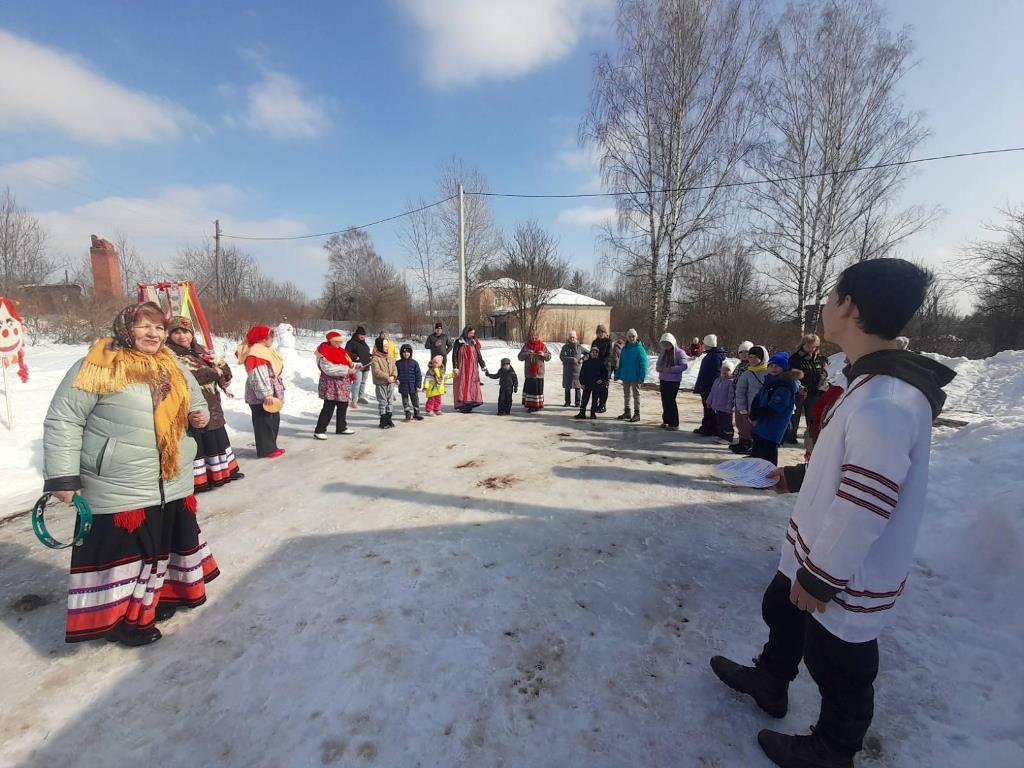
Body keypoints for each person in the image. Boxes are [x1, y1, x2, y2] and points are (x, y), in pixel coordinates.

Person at [710, 258, 955, 768]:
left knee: (840, 659)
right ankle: (771, 681)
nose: (823, 306)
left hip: (846, 565)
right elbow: (850, 466)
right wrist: (793, 478)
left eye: (830, 296)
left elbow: (867, 503)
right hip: (816, 544)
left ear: (849, 306)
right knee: (782, 606)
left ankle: (831, 749)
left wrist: (821, 579)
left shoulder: (885, 400)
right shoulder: (868, 384)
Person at [43, 302, 216, 647]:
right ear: (125, 327)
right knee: (124, 556)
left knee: (162, 549)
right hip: (119, 482)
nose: (154, 334)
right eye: (145, 326)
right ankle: (123, 622)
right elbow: (64, 420)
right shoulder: (98, 365)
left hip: (171, 479)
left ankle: (155, 602)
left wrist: (200, 416)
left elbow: (196, 402)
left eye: (159, 328)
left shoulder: (173, 365)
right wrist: (63, 477)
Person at [166, 316, 242, 491]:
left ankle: (225, 471)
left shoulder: (201, 350)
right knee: (200, 438)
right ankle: (202, 480)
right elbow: (189, 376)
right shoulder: (169, 354)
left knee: (217, 436)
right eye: (176, 332)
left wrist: (222, 374)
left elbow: (224, 367)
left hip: (212, 400)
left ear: (191, 334)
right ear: (170, 335)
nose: (182, 336)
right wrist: (215, 372)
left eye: (185, 332)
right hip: (191, 404)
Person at [237, 325, 285, 459]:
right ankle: (266, 450)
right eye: (270, 337)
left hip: (269, 391)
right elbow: (257, 375)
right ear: (262, 338)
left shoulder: (264, 350)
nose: (272, 340)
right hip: (262, 394)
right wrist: (266, 394)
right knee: (263, 421)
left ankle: (271, 446)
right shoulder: (256, 353)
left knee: (273, 419)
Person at [748, 351, 802, 465]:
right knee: (757, 450)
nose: (774, 368)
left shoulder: (785, 385)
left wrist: (757, 414)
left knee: (768, 455)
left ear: (784, 368)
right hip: (762, 424)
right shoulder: (770, 380)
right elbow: (758, 397)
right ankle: (755, 473)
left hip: (773, 426)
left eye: (777, 366)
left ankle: (769, 478)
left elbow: (775, 408)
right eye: (771, 366)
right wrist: (753, 411)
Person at [313, 330, 357, 439]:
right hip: (330, 384)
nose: (339, 344)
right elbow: (328, 369)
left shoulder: (342, 351)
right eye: (337, 342)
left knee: (343, 405)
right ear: (331, 341)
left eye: (340, 342)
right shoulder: (323, 351)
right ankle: (320, 430)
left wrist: (355, 366)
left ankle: (341, 427)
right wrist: (347, 370)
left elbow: (348, 362)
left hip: (342, 383)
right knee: (329, 406)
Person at [786, 333, 829, 444]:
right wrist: (798, 385)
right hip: (799, 391)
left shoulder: (819, 359)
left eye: (814, 346)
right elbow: (792, 373)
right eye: (809, 346)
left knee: (813, 416)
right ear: (803, 344)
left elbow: (823, 373)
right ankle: (791, 435)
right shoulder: (796, 358)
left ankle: (812, 436)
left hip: (815, 391)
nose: (811, 348)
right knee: (795, 415)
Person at [731, 345, 769, 455]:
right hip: (746, 407)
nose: (751, 359)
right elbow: (740, 391)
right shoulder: (747, 373)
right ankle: (744, 443)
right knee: (743, 425)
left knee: (757, 428)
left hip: (761, 407)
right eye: (750, 357)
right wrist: (742, 407)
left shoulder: (768, 373)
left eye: (754, 357)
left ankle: (754, 446)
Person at [693, 334, 726, 435]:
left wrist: (713, 387)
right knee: (707, 408)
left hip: (710, 387)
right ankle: (707, 426)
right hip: (706, 386)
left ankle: (711, 428)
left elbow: (716, 373)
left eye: (704, 343)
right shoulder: (711, 355)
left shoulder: (715, 356)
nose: (703, 345)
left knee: (710, 408)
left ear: (708, 344)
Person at [655, 332, 688, 430]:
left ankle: (674, 423)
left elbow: (684, 366)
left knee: (671, 401)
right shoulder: (663, 352)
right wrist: (659, 368)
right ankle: (666, 420)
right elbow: (658, 363)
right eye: (665, 344)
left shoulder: (679, 352)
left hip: (673, 381)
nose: (667, 346)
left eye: (668, 344)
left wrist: (671, 369)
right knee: (665, 401)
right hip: (663, 379)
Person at [614, 329, 648, 423]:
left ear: (636, 337)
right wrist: (618, 373)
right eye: (630, 336)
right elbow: (621, 363)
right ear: (627, 338)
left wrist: (642, 376)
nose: (631, 338)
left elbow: (644, 364)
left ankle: (637, 413)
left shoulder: (640, 349)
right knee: (626, 395)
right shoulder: (625, 349)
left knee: (636, 395)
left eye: (633, 336)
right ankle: (627, 411)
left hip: (635, 377)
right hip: (626, 376)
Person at [452, 326, 487, 413]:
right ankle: (463, 404)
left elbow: (478, 355)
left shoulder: (473, 342)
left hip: (472, 368)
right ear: (466, 332)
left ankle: (470, 403)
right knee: (462, 384)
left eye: (473, 333)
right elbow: (454, 355)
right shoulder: (459, 341)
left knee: (471, 385)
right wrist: (455, 367)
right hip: (462, 367)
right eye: (471, 333)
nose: (472, 335)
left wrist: (483, 365)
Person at [518, 330, 551, 412]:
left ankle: (538, 405)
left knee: (538, 389)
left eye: (535, 336)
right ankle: (530, 405)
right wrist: (527, 353)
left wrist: (543, 354)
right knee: (530, 390)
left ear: (538, 336)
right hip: (530, 372)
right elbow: (519, 357)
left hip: (539, 372)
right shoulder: (526, 346)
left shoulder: (542, 345)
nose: (533, 337)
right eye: (532, 336)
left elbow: (549, 357)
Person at [371, 337, 398, 429]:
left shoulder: (389, 357)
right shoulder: (375, 358)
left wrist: (394, 376)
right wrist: (387, 377)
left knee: (390, 401)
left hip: (391, 383)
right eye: (384, 346)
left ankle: (389, 418)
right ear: (380, 346)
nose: (387, 347)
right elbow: (376, 371)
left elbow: (394, 368)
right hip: (381, 383)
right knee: (383, 401)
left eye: (387, 346)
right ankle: (383, 419)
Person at [707, 361, 736, 442]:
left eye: (728, 370)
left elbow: (731, 396)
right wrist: (709, 401)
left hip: (726, 407)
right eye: (723, 369)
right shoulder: (717, 380)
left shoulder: (731, 382)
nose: (725, 372)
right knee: (719, 422)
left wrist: (730, 407)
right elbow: (712, 392)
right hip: (717, 406)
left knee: (727, 423)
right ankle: (721, 436)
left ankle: (728, 437)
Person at [575, 346, 605, 420]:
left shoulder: (600, 363)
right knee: (584, 399)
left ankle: (593, 413)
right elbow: (582, 374)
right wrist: (582, 383)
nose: (594, 354)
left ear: (598, 354)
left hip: (596, 384)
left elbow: (604, 373)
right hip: (587, 384)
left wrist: (601, 379)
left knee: (595, 399)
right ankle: (582, 413)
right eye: (593, 352)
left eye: (596, 352)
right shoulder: (586, 363)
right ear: (590, 353)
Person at [396, 343, 424, 421]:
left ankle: (416, 412)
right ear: (401, 353)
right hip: (403, 385)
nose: (406, 354)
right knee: (405, 401)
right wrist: (396, 379)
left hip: (413, 385)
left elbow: (418, 375)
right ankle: (407, 413)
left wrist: (418, 385)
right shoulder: (398, 363)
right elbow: (395, 373)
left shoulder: (414, 363)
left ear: (410, 353)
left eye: (408, 352)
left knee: (415, 400)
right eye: (404, 352)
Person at [345, 326, 372, 407]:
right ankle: (354, 400)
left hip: (366, 365)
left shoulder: (364, 343)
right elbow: (346, 352)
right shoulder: (351, 342)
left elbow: (365, 353)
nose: (363, 337)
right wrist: (355, 357)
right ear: (357, 334)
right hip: (357, 366)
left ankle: (361, 397)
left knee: (363, 383)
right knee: (357, 383)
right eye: (361, 335)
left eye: (364, 335)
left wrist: (370, 356)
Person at [589, 324, 613, 413]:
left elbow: (609, 355)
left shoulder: (608, 342)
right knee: (597, 388)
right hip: (596, 369)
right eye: (598, 332)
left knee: (604, 388)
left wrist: (601, 363)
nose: (600, 334)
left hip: (605, 369)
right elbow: (592, 353)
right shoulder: (595, 342)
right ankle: (598, 404)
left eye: (602, 332)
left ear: (605, 333)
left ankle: (603, 405)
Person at [559, 330, 584, 408]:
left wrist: (582, 359)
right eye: (570, 337)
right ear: (568, 338)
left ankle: (577, 402)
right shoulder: (565, 347)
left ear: (576, 337)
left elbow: (588, 354)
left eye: (573, 337)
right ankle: (567, 402)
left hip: (577, 371)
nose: (572, 339)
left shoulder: (579, 347)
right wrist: (571, 359)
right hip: (567, 370)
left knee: (577, 387)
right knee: (567, 386)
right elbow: (561, 357)